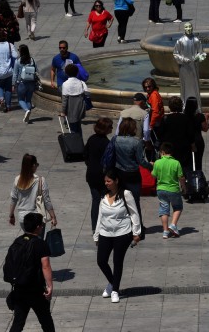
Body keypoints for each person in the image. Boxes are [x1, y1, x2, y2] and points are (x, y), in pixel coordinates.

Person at [94, 168, 141, 303]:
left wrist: (136, 232)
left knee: (117, 262)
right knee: (101, 261)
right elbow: (100, 216)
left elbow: (134, 213)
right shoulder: (103, 195)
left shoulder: (126, 194)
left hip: (122, 233)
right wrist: (96, 235)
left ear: (116, 181)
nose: (106, 184)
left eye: (109, 181)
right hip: (105, 233)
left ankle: (115, 290)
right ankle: (112, 283)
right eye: (105, 181)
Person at [6, 212, 56, 332]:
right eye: (41, 225)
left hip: (19, 288)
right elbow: (46, 266)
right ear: (38, 227)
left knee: (18, 322)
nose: (42, 227)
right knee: (46, 320)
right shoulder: (40, 244)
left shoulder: (17, 241)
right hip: (36, 289)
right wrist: (50, 286)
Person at [114, 117, 153, 224]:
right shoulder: (137, 142)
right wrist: (150, 166)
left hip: (119, 173)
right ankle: (137, 226)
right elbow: (141, 160)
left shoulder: (115, 140)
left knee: (120, 201)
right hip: (133, 175)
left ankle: (123, 224)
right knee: (135, 202)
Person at [9, 154, 57, 235]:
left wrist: (11, 216)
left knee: (29, 241)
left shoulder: (17, 180)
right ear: (33, 165)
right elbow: (47, 201)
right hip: (37, 218)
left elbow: (13, 199)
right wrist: (53, 216)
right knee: (37, 243)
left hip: (23, 218)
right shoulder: (40, 180)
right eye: (37, 165)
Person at [84, 118, 114, 232]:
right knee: (105, 201)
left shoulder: (91, 139)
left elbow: (85, 154)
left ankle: (94, 227)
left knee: (95, 201)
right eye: (110, 126)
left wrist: (90, 164)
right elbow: (109, 161)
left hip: (91, 174)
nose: (112, 128)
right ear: (105, 129)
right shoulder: (106, 143)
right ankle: (104, 225)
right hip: (102, 176)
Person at [152, 142, 186, 239]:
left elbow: (153, 175)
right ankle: (173, 225)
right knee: (178, 207)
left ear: (162, 152)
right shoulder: (176, 163)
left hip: (160, 190)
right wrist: (183, 187)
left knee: (164, 210)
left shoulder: (158, 162)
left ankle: (165, 231)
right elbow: (181, 177)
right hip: (173, 189)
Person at [157, 96, 195, 175]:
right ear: (181, 106)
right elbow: (190, 134)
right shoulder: (186, 118)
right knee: (184, 169)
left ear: (170, 106)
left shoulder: (165, 119)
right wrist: (193, 145)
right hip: (183, 148)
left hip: (169, 148)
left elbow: (160, 134)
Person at [173, 22, 206, 110]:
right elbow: (175, 54)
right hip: (184, 68)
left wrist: (198, 57)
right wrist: (183, 59)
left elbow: (202, 52)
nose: (188, 29)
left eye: (190, 27)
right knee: (184, 86)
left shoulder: (196, 40)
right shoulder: (180, 41)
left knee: (195, 86)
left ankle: (197, 108)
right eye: (187, 27)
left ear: (192, 28)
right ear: (184, 28)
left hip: (194, 67)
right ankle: (184, 107)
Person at [0, 30, 18, 112]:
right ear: (5, 37)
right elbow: (15, 55)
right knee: (8, 89)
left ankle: (2, 100)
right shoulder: (10, 45)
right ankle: (8, 106)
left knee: (0, 87)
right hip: (9, 72)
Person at [12, 44, 38, 122]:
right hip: (31, 83)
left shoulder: (18, 61)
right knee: (28, 100)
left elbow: (15, 74)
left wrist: (13, 84)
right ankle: (28, 116)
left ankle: (26, 110)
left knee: (20, 99)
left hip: (22, 83)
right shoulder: (32, 60)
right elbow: (36, 70)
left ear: (20, 51)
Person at [60, 63, 87, 135]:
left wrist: (63, 111)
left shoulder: (65, 84)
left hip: (71, 109)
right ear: (77, 72)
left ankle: (76, 144)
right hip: (80, 108)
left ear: (66, 73)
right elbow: (87, 93)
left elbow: (64, 100)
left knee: (73, 129)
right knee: (78, 126)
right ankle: (80, 143)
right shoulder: (81, 83)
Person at [184, 96, 209, 170]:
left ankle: (188, 177)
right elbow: (205, 129)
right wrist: (206, 119)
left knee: (187, 161)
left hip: (187, 140)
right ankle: (198, 176)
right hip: (198, 140)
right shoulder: (200, 116)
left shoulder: (184, 116)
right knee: (198, 161)